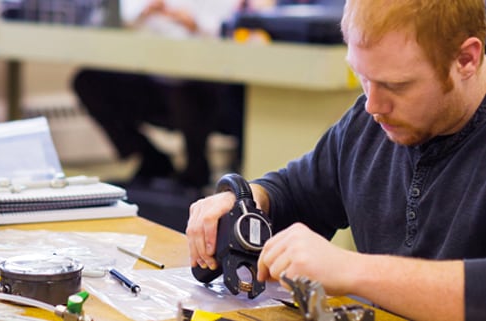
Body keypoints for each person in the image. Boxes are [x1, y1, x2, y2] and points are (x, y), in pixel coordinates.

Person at [186, 1, 486, 320]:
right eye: (362, 77)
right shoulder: (365, 125)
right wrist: (248, 201)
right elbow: (296, 193)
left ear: (466, 59)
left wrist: (354, 270)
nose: (373, 104)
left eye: (395, 85)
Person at [72, 0, 251, 190]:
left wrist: (193, 23)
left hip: (203, 82)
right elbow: (117, 19)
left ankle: (195, 169)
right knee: (88, 81)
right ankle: (150, 157)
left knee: (186, 87)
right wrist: (146, 11)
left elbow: (230, 30)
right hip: (150, 75)